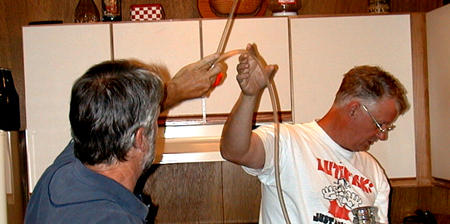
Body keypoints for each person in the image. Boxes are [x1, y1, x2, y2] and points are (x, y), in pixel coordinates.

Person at [220, 44, 409, 224]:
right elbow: (235, 151)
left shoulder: (373, 171)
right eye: (380, 124)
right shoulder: (287, 142)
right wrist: (249, 96)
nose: (382, 135)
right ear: (354, 110)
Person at [24, 54, 224, 223]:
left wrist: (175, 90)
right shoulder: (113, 218)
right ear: (140, 139)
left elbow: (109, 112)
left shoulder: (61, 174)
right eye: (155, 120)